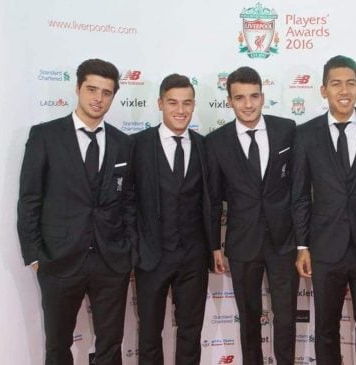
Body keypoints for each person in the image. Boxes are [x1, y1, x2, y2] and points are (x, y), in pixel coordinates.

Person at [17, 58, 136, 365]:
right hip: (59, 259)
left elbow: (130, 203)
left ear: (113, 96)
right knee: (58, 346)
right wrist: (34, 254)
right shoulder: (46, 135)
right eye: (92, 89)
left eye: (106, 92)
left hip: (111, 262)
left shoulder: (124, 144)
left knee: (110, 347)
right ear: (78, 88)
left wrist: (128, 250)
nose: (98, 98)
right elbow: (30, 199)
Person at [292, 55, 356, 365]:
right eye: (336, 83)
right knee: (325, 328)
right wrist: (303, 245)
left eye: (350, 83)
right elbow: (299, 195)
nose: (344, 90)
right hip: (325, 248)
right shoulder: (305, 134)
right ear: (324, 90)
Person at [205, 66, 298, 365]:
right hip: (243, 243)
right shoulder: (215, 142)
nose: (248, 104)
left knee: (285, 318)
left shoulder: (287, 129)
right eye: (240, 97)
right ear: (229, 101)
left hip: (284, 242)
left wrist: (303, 243)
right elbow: (212, 200)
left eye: (254, 96)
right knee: (248, 318)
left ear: (263, 96)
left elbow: (299, 189)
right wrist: (214, 246)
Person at [132, 74, 219, 364]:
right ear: (160, 103)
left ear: (194, 105)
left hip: (193, 257)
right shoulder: (137, 145)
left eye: (187, 103)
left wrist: (213, 247)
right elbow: (125, 202)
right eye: (173, 103)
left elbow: (212, 201)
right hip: (150, 257)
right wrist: (134, 247)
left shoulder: (206, 146)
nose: (180, 110)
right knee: (149, 334)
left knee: (191, 334)